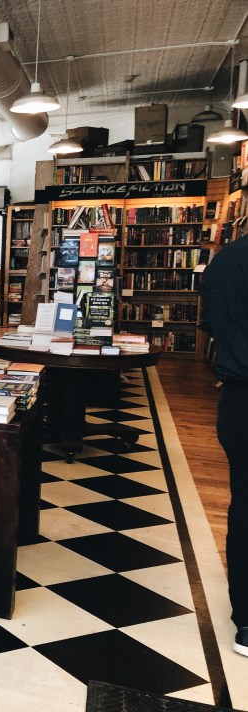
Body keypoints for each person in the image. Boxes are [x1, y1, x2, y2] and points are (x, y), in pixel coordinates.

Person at [199, 236, 248, 657]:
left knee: (245, 504)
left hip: (238, 399)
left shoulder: (226, 261)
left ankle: (247, 620)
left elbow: (212, 325)